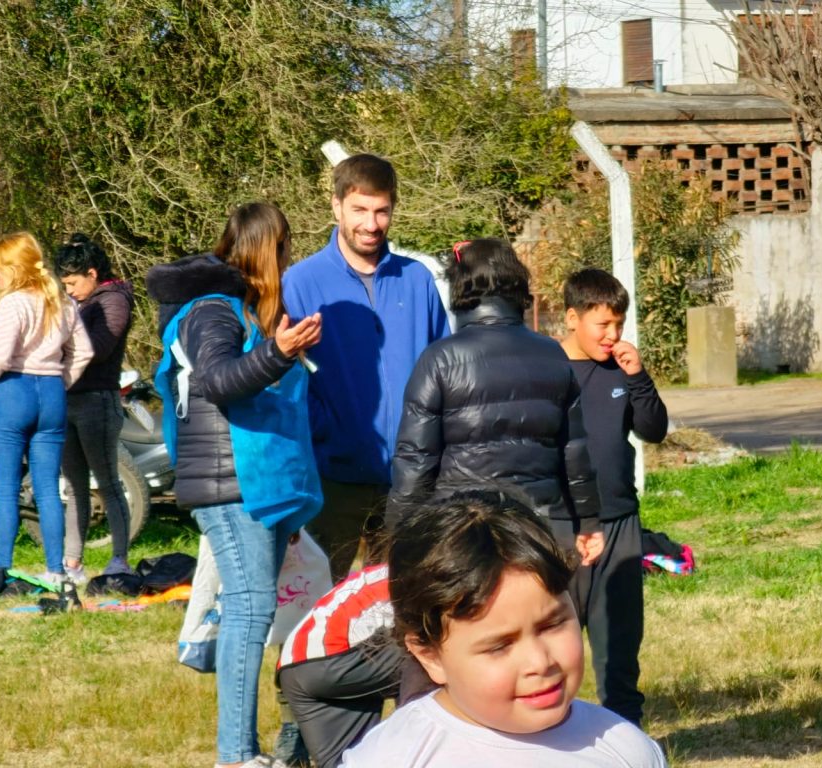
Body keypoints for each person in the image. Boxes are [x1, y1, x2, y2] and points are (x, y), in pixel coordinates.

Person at [147, 202, 323, 768]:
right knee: (249, 609)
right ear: (267, 249)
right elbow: (220, 381)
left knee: (253, 609)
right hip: (230, 483)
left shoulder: (237, 310)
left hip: (254, 483)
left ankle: (242, 752)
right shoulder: (213, 311)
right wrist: (280, 351)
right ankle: (236, 755)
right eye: (285, 249)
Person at [339, 490, 667, 767]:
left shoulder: (626, 749)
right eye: (499, 646)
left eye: (552, 625)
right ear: (430, 656)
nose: (540, 662)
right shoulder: (394, 758)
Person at [282, 153, 449, 582]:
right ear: (336, 206)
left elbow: (441, 369)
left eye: (381, 211)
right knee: (322, 603)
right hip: (333, 476)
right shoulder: (300, 282)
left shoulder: (417, 279)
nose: (371, 224)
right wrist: (325, 433)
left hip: (409, 474)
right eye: (359, 210)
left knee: (399, 605)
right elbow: (287, 379)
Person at [386, 238, 603, 566]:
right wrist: (588, 520)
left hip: (465, 533)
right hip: (541, 526)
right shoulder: (554, 354)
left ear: (460, 287)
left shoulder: (439, 360)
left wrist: (399, 534)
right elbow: (574, 450)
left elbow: (416, 461)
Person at [560, 268, 668, 728]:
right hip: (562, 528)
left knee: (620, 652)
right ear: (571, 318)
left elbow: (654, 429)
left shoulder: (621, 371)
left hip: (620, 522)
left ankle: (627, 744)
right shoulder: (548, 369)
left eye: (618, 325)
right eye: (602, 324)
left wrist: (639, 376)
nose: (612, 335)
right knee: (554, 652)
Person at [0, 232, 93, 581]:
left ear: (12, 267)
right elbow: (83, 351)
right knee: (47, 487)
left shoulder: (13, 303)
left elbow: (0, 354)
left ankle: (0, 568)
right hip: (51, 394)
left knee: (7, 488)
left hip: (11, 391)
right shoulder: (61, 301)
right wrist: (60, 381)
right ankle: (56, 569)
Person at [54, 234, 136, 582]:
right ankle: (73, 563)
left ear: (91, 273)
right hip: (68, 400)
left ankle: (119, 559)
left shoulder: (114, 301)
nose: (69, 291)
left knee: (108, 483)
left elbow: (100, 348)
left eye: (72, 283)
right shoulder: (82, 303)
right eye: (64, 286)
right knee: (74, 487)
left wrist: (64, 328)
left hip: (97, 402)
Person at [278, 561, 402, 768]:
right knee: (436, 653)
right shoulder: (433, 569)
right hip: (336, 659)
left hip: (294, 666)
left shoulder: (396, 566)